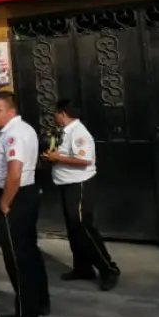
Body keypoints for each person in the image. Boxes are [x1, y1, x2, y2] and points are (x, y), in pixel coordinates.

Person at [43, 99, 120, 291]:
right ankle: (82, 267)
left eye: (56, 113)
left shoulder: (79, 133)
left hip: (79, 184)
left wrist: (57, 158)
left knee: (84, 227)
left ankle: (108, 268)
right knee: (73, 229)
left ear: (62, 113)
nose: (54, 116)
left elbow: (85, 160)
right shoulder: (64, 132)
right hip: (65, 183)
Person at [0, 91, 49, 317]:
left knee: (17, 257)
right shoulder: (21, 130)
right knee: (30, 252)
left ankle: (26, 314)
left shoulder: (14, 135)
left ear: (11, 112)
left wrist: (5, 203)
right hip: (24, 194)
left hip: (16, 197)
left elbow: (14, 172)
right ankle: (40, 302)